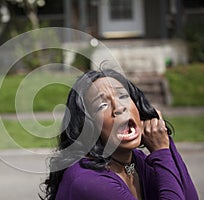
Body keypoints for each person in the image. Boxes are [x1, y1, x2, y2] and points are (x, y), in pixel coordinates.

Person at [40, 69, 198, 200]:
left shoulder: (135, 161)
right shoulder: (88, 180)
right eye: (102, 105)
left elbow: (189, 196)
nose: (119, 107)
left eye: (123, 96)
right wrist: (161, 152)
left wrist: (163, 137)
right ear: (88, 126)